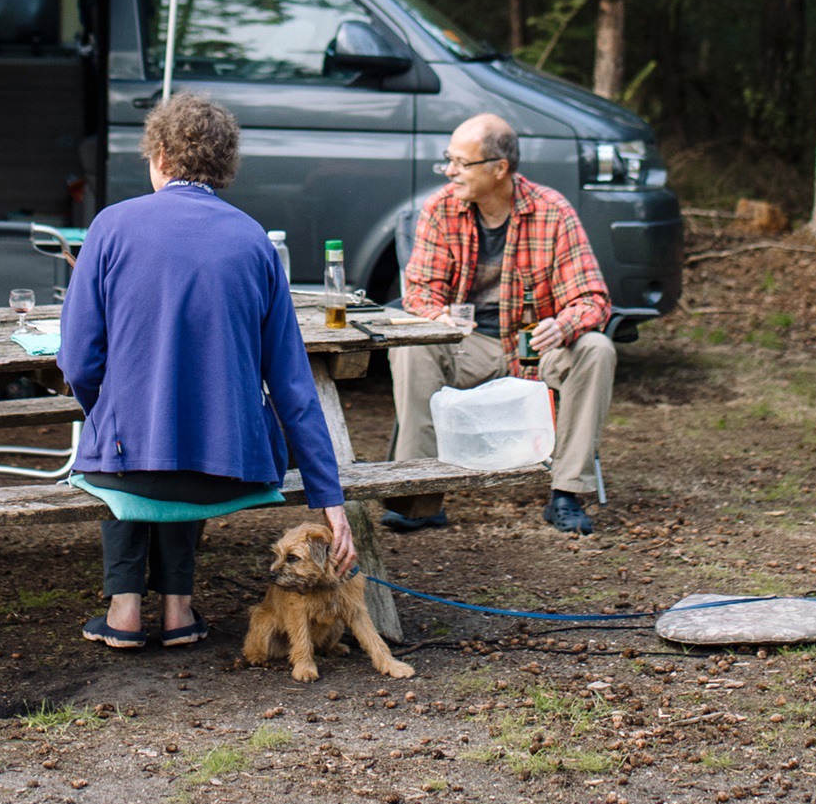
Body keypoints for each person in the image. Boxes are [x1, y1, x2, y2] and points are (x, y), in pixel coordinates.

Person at [59, 93, 354, 651]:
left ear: (162, 155)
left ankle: (124, 611)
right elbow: (293, 386)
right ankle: (179, 610)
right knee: (179, 428)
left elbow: (77, 362)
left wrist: (111, 412)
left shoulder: (110, 226)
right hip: (231, 469)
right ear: (224, 164)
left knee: (135, 430)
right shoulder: (255, 241)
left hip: (127, 470)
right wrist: (330, 501)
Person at [388, 112, 615, 535]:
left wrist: (563, 326)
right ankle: (420, 494)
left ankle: (566, 493)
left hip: (536, 349)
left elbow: (592, 299)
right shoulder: (442, 208)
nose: (449, 171)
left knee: (597, 348)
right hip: (467, 344)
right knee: (410, 344)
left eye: (460, 162)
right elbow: (418, 290)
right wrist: (437, 315)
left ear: (499, 169)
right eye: (447, 160)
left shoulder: (553, 212)